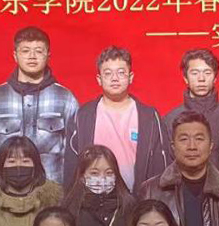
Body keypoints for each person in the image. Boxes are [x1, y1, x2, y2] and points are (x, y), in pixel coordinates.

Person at [0, 26, 79, 185]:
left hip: (52, 190)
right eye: (25, 51)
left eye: (39, 51)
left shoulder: (65, 98)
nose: (32, 56)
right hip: (6, 191)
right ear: (15, 55)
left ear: (48, 55)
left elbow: (73, 151)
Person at [66, 46, 168, 193]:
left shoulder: (149, 117)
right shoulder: (82, 116)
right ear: (99, 79)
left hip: (138, 199)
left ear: (130, 77)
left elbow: (160, 166)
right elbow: (71, 166)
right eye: (108, 73)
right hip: (91, 199)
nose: (115, 78)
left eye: (121, 72)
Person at [64, 145, 138, 226]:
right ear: (81, 176)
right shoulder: (68, 209)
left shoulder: (129, 207)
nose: (102, 178)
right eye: (94, 173)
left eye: (109, 173)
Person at [162, 48, 219, 164]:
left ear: (215, 78)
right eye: (195, 73)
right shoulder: (170, 119)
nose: (201, 79)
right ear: (185, 78)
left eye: (207, 73)